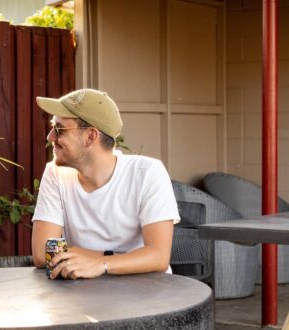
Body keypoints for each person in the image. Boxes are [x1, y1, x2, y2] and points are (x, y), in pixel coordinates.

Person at [31, 88, 180, 280]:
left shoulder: (147, 173)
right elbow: (42, 254)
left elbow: (158, 257)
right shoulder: (56, 174)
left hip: (146, 291)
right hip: (82, 292)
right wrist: (114, 260)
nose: (50, 136)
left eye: (59, 129)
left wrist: (100, 263)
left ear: (91, 136)